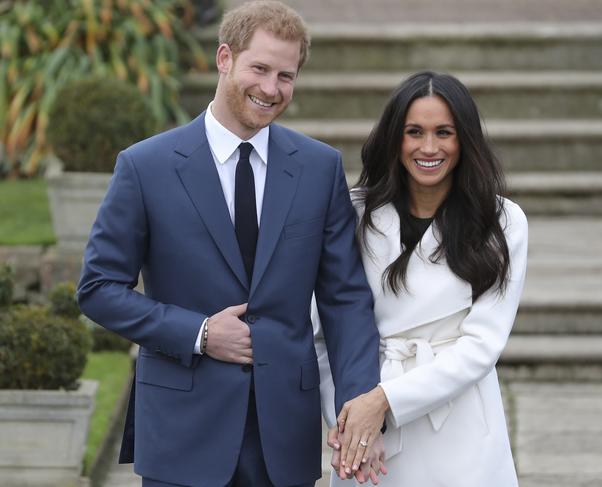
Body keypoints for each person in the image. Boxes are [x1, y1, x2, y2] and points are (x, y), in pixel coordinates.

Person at [77, 2, 384, 486]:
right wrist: (198, 332)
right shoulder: (145, 167)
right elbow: (97, 287)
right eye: (259, 68)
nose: (270, 88)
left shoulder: (319, 168)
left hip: (283, 437)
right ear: (224, 58)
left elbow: (345, 299)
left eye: (286, 75)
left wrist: (359, 409)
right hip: (182, 431)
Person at [314, 71, 528, 486]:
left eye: (443, 132)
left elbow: (482, 346)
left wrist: (385, 403)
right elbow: (323, 334)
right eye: (414, 132)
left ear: (464, 139)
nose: (428, 148)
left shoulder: (502, 221)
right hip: (364, 419)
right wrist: (351, 421)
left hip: (459, 421)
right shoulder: (352, 214)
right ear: (395, 138)